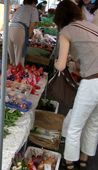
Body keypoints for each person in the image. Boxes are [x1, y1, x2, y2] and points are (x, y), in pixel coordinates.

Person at [53, 0, 98, 170]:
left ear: (60, 17)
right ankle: (84, 160)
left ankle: (70, 163)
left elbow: (62, 65)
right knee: (93, 124)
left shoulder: (66, 31)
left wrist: (57, 62)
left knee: (75, 126)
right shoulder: (91, 26)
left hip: (92, 82)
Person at [8, 0, 39, 67]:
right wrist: (27, 38)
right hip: (19, 30)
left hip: (9, 30)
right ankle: (18, 75)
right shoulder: (33, 10)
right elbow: (31, 27)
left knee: (12, 60)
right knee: (19, 59)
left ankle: (10, 74)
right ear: (33, 2)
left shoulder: (20, 8)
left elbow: (12, 18)